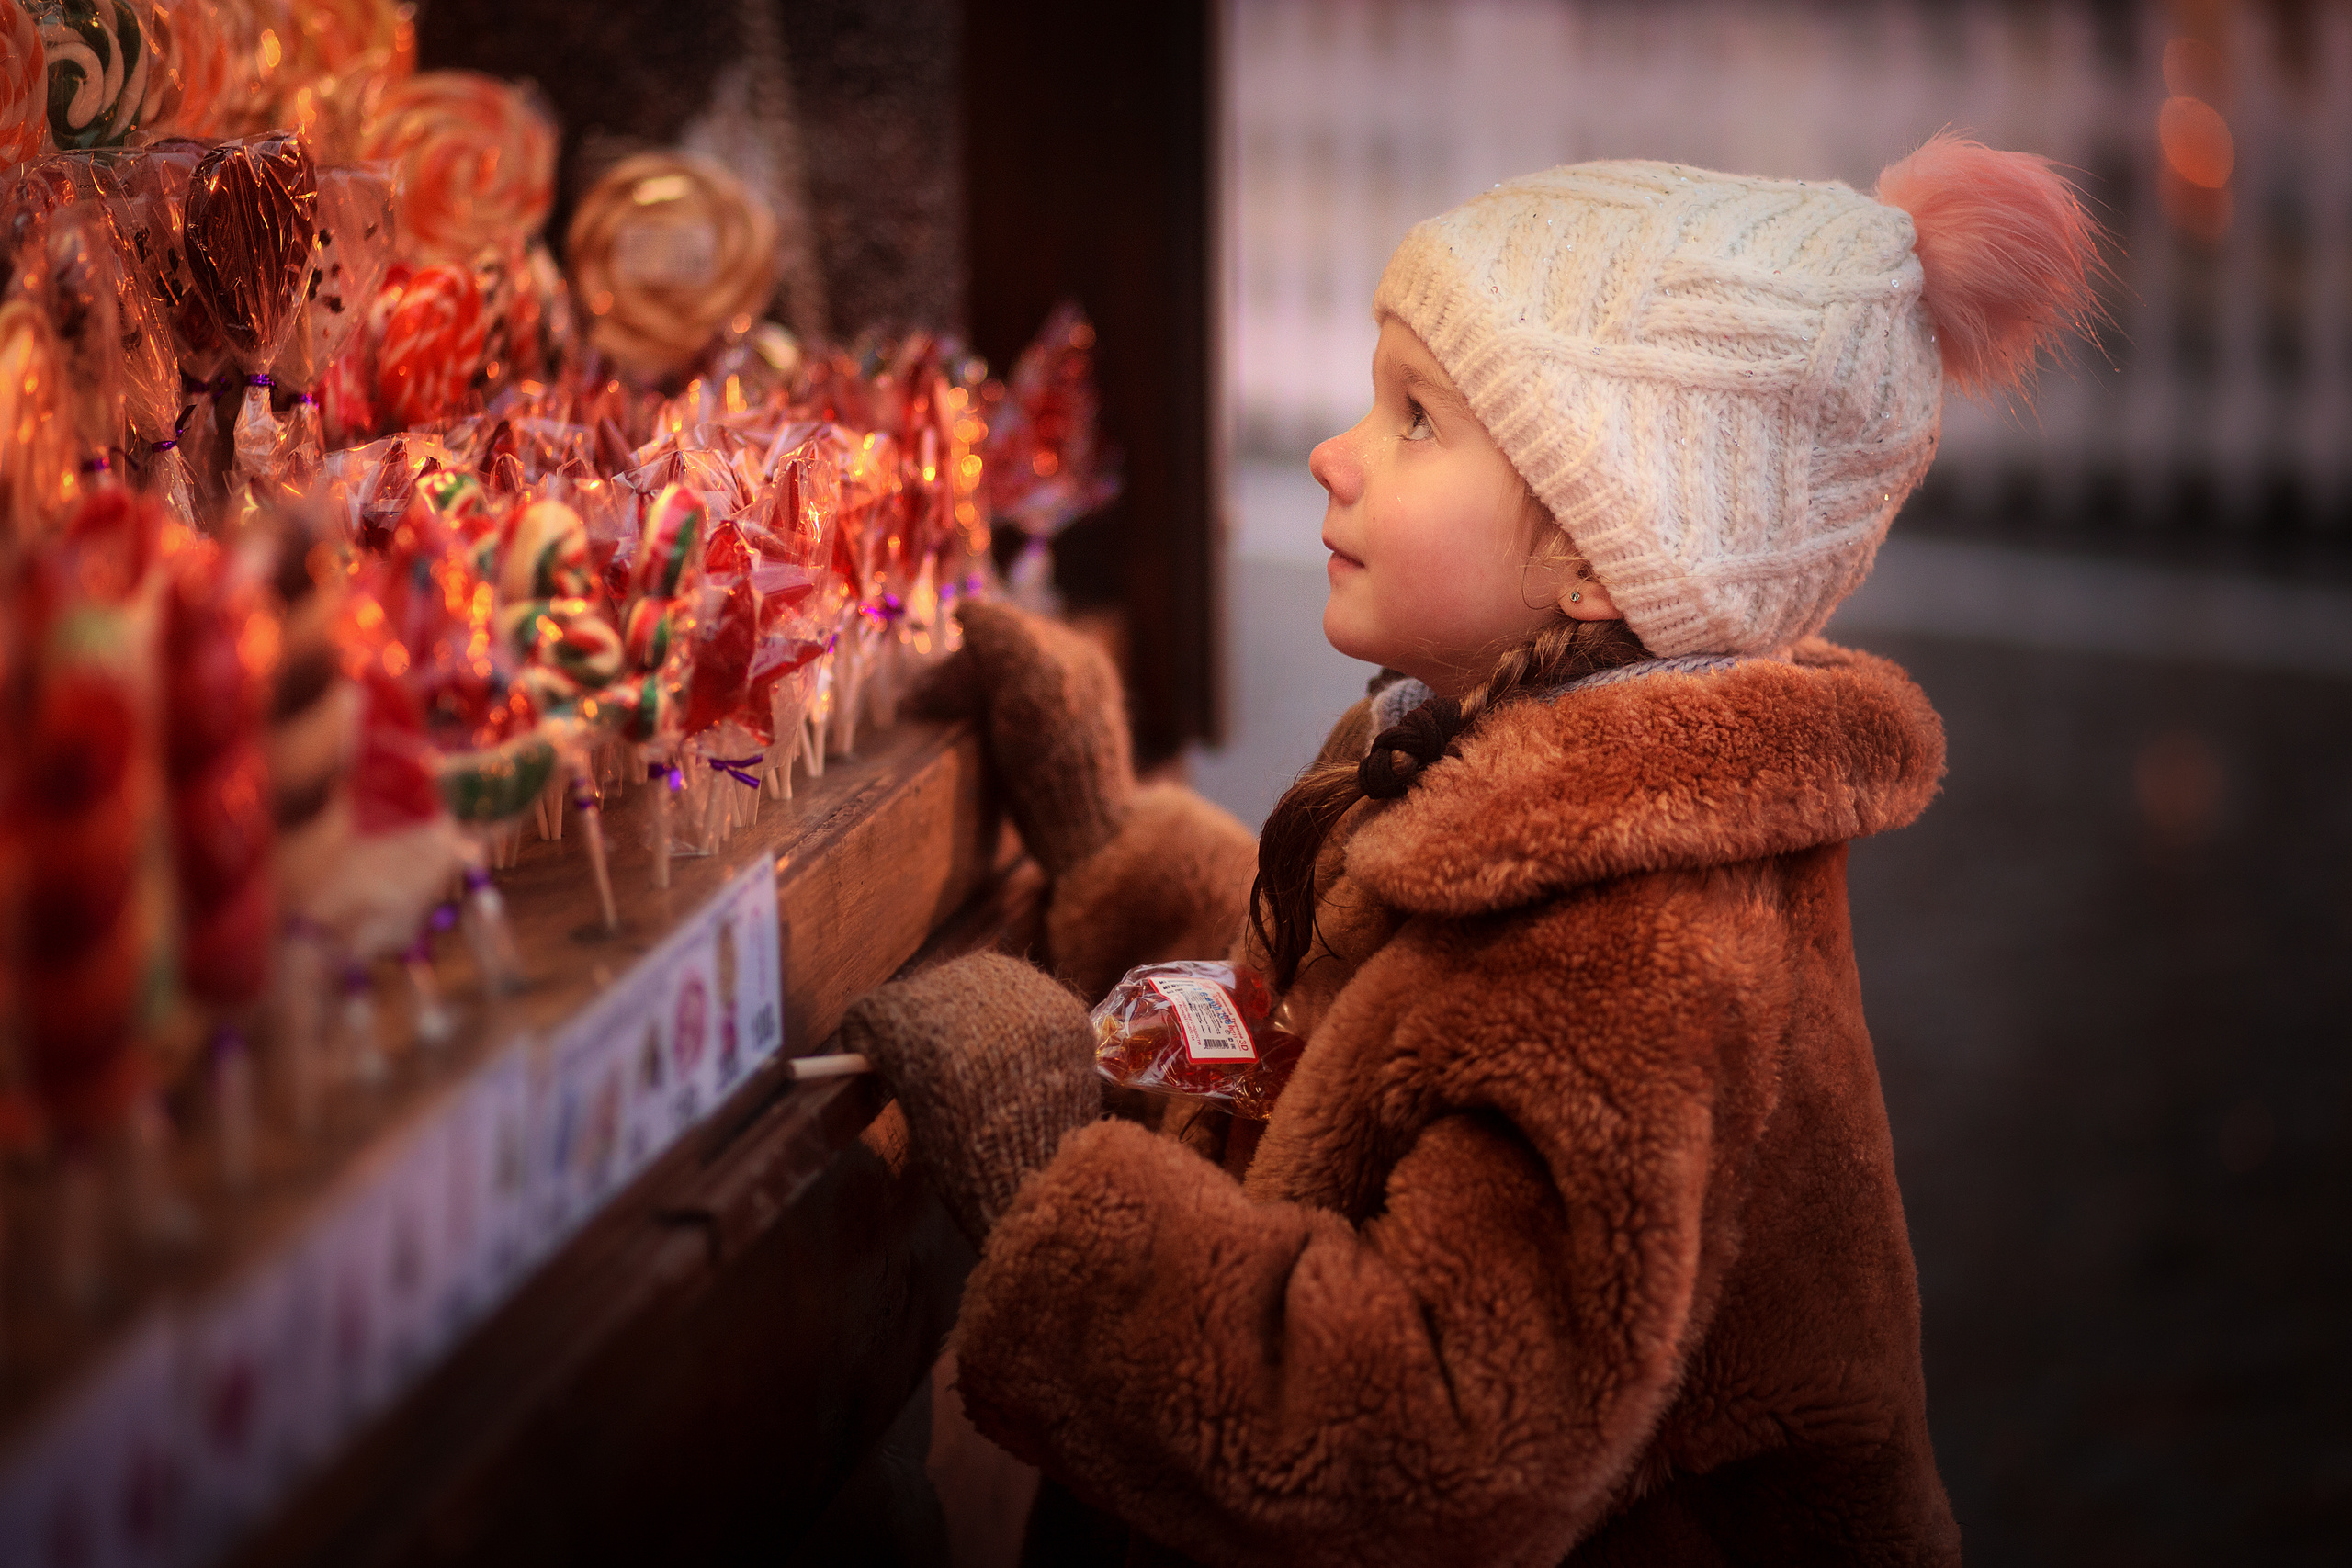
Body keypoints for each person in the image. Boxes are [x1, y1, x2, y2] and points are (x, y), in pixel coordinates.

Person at [843, 135, 2103, 1565]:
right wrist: (1104, 846)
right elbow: (1357, 1034)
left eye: (1417, 418)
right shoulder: (1512, 762)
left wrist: (1051, 1169)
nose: (1335, 451)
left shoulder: (1638, 948)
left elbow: (1438, 1440)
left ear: (1598, 553)